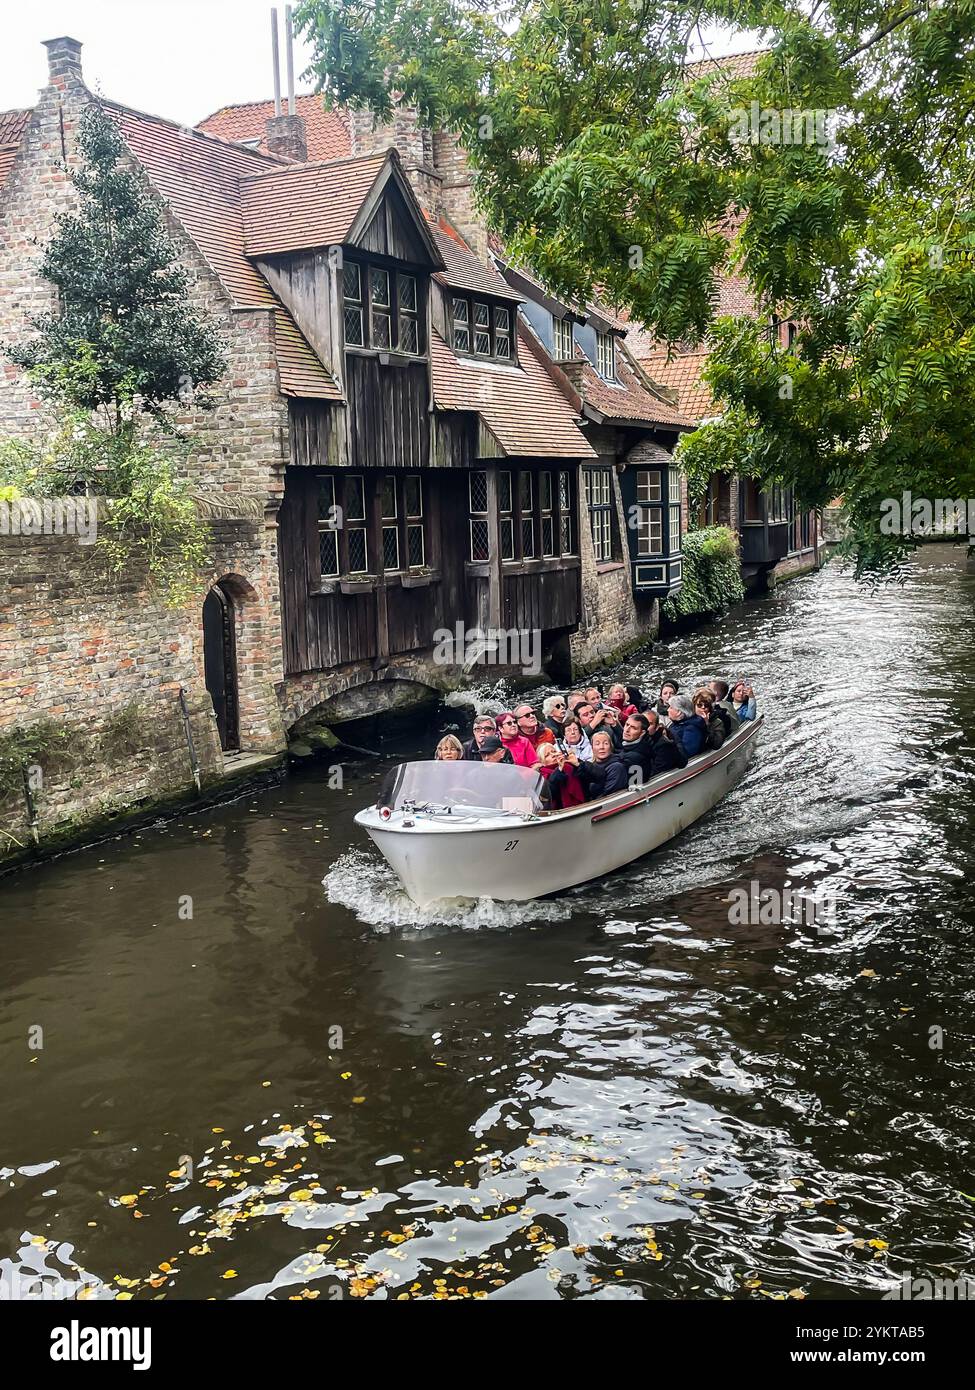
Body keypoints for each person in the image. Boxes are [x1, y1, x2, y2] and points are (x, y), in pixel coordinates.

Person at [575, 729, 629, 800]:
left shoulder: (617, 767)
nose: (601, 747)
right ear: (592, 748)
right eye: (597, 744)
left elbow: (610, 796)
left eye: (606, 743)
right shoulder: (591, 767)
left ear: (611, 747)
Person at [535, 741, 587, 809]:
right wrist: (559, 769)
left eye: (554, 751)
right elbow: (549, 793)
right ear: (542, 762)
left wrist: (578, 764)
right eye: (547, 755)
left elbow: (591, 778)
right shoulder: (541, 776)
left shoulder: (570, 765)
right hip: (559, 813)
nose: (553, 755)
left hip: (583, 807)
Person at [645, 708, 688, 773]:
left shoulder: (663, 745)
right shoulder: (641, 739)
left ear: (657, 727)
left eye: (649, 724)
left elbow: (656, 772)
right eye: (643, 722)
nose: (645, 726)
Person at [667, 692, 708, 758]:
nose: (668, 709)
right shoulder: (677, 723)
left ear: (679, 712)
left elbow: (687, 752)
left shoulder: (692, 729)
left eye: (671, 707)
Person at [617, 711, 654, 783]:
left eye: (633, 728)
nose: (627, 730)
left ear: (642, 733)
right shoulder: (632, 746)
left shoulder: (636, 757)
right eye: (627, 724)